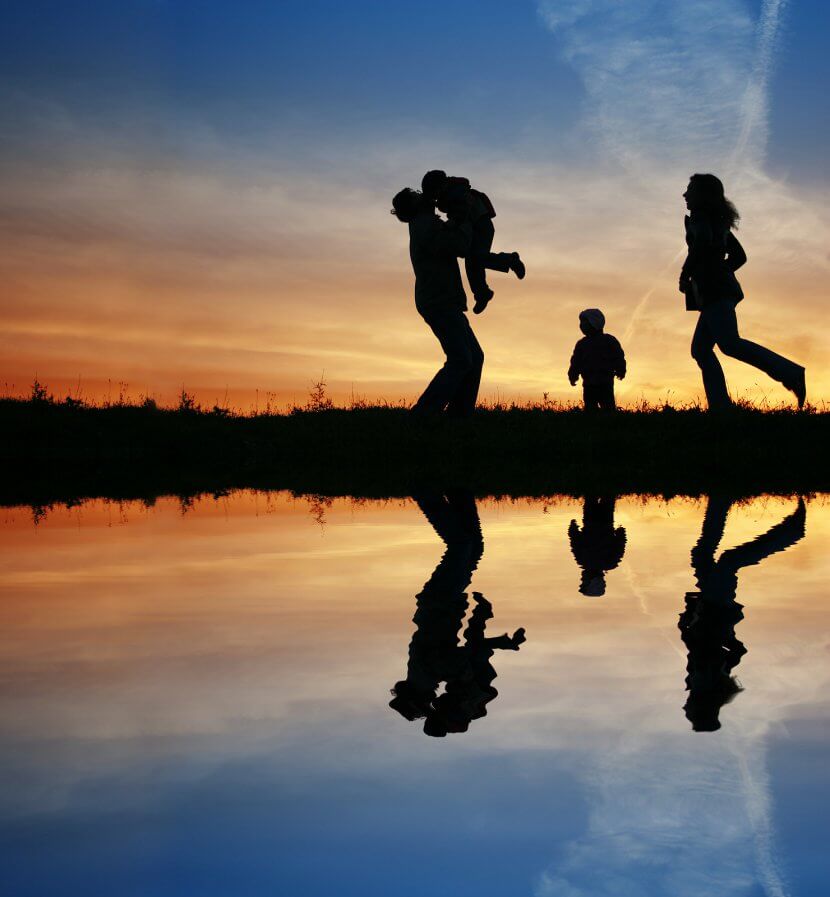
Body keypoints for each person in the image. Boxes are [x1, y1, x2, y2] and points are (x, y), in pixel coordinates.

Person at [679, 495, 806, 732]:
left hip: (712, 609)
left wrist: (691, 619)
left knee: (702, 554)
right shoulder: (706, 682)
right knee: (728, 561)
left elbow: (734, 652)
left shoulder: (702, 684)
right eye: (689, 714)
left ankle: (720, 501)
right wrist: (692, 621)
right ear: (700, 709)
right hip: (715, 608)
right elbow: (703, 646)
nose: (684, 710)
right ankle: (790, 534)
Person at [680, 173, 806, 410]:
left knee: (729, 344)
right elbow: (739, 256)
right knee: (701, 349)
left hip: (715, 291)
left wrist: (687, 273)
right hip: (719, 289)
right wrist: (719, 270)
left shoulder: (700, 219)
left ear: (703, 195)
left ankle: (791, 373)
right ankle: (720, 406)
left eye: (690, 190)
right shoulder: (718, 222)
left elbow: (701, 244)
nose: (685, 194)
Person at [392, 187, 484, 418]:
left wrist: (457, 220)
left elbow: (450, 238)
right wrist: (463, 218)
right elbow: (458, 246)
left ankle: (459, 414)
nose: (422, 195)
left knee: (473, 357)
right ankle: (423, 414)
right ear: (414, 206)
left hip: (443, 300)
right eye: (416, 195)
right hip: (439, 301)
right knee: (461, 359)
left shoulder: (427, 224)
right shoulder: (425, 225)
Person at [422, 170, 525, 315]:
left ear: (438, 187)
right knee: (472, 263)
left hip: (481, 226)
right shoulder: (452, 193)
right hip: (476, 227)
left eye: (434, 194)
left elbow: (461, 213)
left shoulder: (455, 193)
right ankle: (482, 293)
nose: (436, 199)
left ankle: (510, 261)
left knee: (477, 258)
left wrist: (449, 225)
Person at [567, 308, 626, 410]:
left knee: (608, 408)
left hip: (605, 382)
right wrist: (573, 375)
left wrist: (621, 370)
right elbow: (576, 362)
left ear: (593, 323)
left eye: (584, 322)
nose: (581, 325)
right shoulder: (582, 344)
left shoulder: (609, 341)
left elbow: (618, 357)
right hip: (589, 383)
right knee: (590, 409)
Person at [568, 495, 627, 596]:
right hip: (590, 520)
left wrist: (620, 531)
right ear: (593, 581)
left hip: (606, 521)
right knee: (591, 496)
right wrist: (573, 526)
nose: (582, 579)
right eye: (584, 582)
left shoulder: (611, 563)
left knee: (608, 496)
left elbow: (620, 543)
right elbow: (575, 540)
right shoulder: (583, 560)